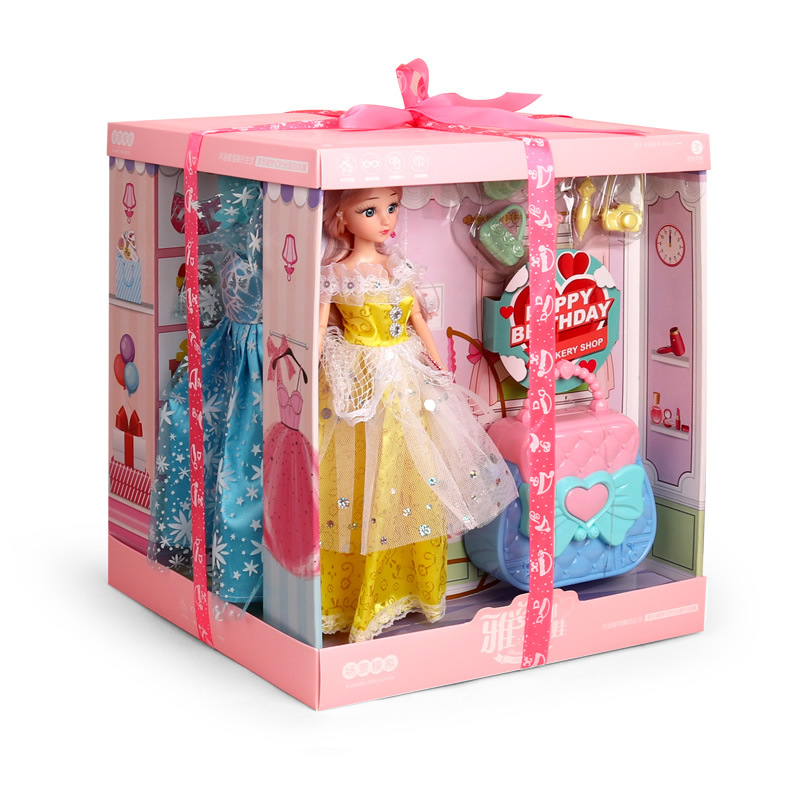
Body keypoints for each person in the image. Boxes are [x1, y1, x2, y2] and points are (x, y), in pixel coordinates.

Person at [318, 186, 517, 642]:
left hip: (408, 380)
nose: (386, 219)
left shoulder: (398, 267)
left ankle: (410, 585)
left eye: (391, 207)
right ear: (343, 218)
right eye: (370, 210)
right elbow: (320, 328)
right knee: (361, 480)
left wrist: (440, 369)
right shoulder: (336, 274)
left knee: (415, 474)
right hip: (363, 382)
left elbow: (418, 322)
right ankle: (354, 596)